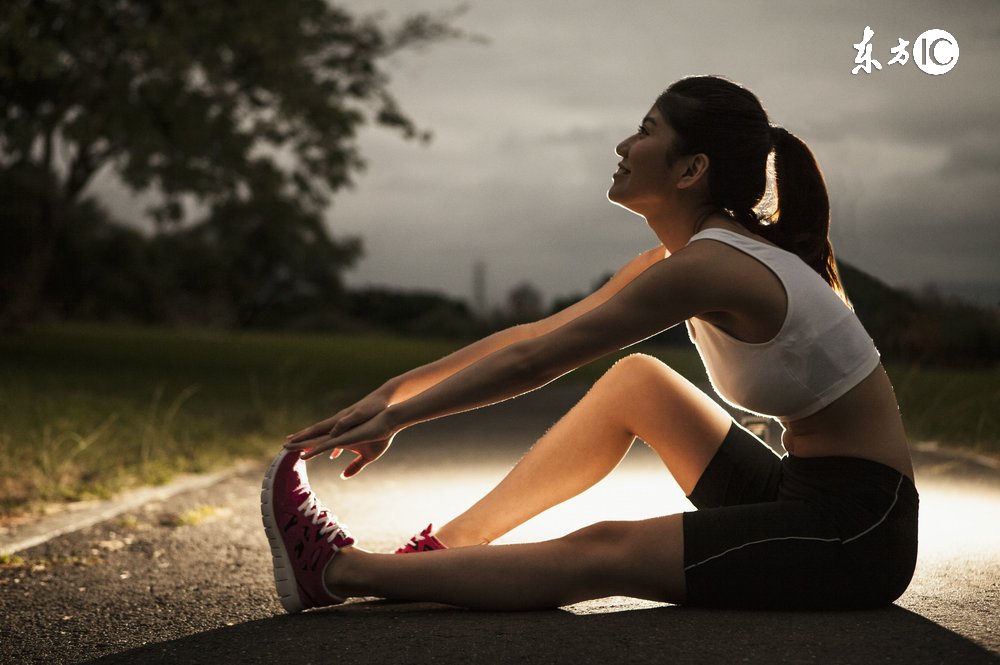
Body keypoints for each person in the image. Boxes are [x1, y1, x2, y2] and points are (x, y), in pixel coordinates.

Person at [261, 75, 918, 614]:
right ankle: (444, 552)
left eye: (647, 131)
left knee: (605, 548)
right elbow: (535, 334)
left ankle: (339, 571)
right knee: (638, 381)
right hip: (792, 488)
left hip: (859, 527)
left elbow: (536, 362)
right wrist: (394, 391)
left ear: (691, 169)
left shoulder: (713, 266)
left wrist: (401, 419)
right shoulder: (685, 258)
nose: (624, 145)